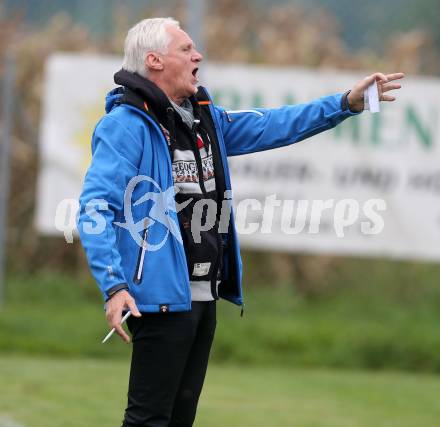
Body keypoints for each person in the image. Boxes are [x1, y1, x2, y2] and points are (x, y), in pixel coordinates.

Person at [77, 17, 404, 427]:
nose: (198, 55)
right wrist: (115, 285)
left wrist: (344, 104)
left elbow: (274, 124)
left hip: (203, 298)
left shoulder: (205, 119)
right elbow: (93, 208)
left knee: (179, 421)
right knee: (147, 421)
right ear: (154, 60)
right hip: (161, 300)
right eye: (186, 49)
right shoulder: (125, 126)